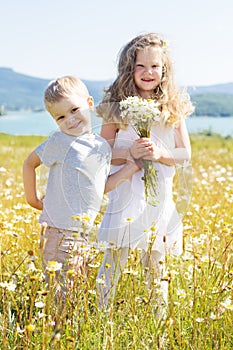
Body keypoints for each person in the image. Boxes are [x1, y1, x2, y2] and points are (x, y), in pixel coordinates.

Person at [96, 33, 194, 311]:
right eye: (141, 66)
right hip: (124, 196)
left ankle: (158, 324)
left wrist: (161, 154)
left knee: (156, 266)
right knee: (113, 260)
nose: (148, 72)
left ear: (164, 70)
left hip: (158, 199)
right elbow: (103, 152)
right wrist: (129, 154)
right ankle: (102, 315)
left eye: (155, 66)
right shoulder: (117, 107)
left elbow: (184, 154)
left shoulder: (172, 107)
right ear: (129, 68)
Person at [23, 76, 140, 304]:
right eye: (61, 117)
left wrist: (130, 168)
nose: (70, 120)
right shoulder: (60, 141)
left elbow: (98, 188)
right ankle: (54, 333)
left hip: (83, 233)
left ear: (89, 103)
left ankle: (67, 334)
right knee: (61, 296)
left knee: (76, 292)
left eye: (74, 109)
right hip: (58, 231)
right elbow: (29, 163)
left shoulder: (100, 147)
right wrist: (33, 199)